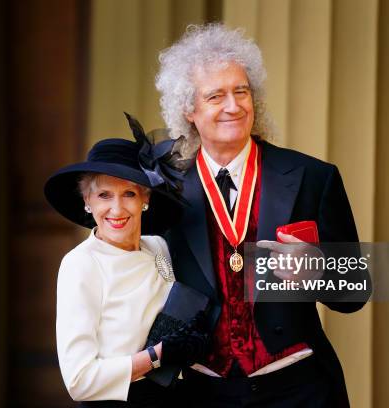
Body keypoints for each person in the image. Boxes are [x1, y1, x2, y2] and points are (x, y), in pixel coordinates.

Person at [156, 24, 370, 407]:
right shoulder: (162, 190)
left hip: (299, 391)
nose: (234, 105)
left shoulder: (313, 177)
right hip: (200, 394)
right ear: (189, 109)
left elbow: (356, 291)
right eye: (215, 96)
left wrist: (319, 271)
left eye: (241, 91)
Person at [44, 115, 207, 407]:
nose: (116, 209)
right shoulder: (80, 265)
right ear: (87, 200)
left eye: (128, 194)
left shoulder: (159, 247)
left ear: (145, 198)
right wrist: (156, 357)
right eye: (104, 195)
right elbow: (79, 381)